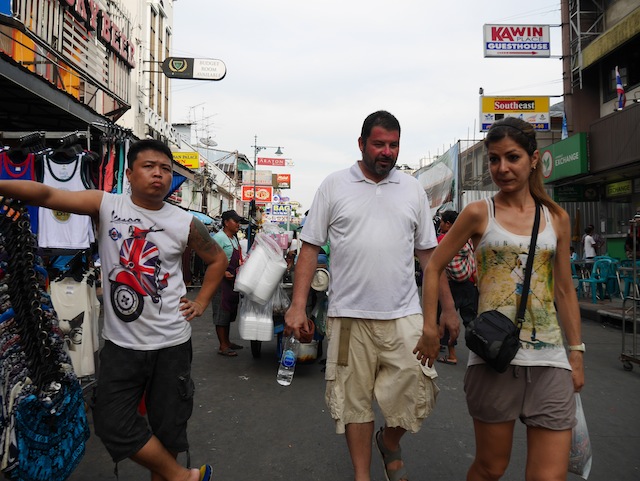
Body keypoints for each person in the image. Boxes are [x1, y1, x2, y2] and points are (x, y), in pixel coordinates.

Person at [0, 139, 227, 481]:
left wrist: (201, 301)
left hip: (172, 346)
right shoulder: (106, 204)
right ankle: (184, 477)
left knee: (168, 432)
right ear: (129, 173)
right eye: (149, 166)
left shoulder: (184, 222)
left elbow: (217, 260)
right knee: (110, 423)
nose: (159, 174)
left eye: (166, 169)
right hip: (122, 347)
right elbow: (46, 195)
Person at [285, 110, 458, 481]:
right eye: (379, 144)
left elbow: (429, 256)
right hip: (348, 317)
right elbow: (310, 248)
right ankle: (362, 475)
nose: (387, 152)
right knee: (353, 403)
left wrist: (449, 309)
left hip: (404, 315)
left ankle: (389, 440)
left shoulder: (411, 189)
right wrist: (298, 306)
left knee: (419, 389)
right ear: (361, 143)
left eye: (393, 145)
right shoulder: (333, 185)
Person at [417, 117, 585, 481]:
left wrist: (576, 351)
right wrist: (430, 327)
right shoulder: (480, 213)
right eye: (494, 159)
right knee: (491, 467)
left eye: (512, 157)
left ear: (534, 159)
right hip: (493, 356)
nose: (502, 168)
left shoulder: (556, 218)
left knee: (549, 476)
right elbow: (433, 267)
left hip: (551, 360)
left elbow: (564, 289)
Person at [436, 210, 478, 365]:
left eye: (441, 222)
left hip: (451, 287)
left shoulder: (444, 239)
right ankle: (480, 352)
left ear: (448, 224)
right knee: (471, 321)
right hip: (469, 286)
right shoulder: (468, 239)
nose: (440, 224)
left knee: (446, 319)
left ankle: (452, 355)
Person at [211, 209, 246, 356]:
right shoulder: (218, 238)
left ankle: (227, 341)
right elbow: (209, 257)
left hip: (232, 281)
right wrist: (222, 271)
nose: (238, 224)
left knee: (229, 311)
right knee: (221, 311)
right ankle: (223, 346)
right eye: (235, 221)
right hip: (220, 281)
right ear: (226, 222)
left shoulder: (234, 238)